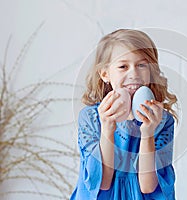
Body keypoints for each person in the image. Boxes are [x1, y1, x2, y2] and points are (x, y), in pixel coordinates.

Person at [70, 29, 178, 200]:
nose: (133, 74)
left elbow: (148, 186)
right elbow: (103, 183)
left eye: (141, 65)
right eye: (123, 66)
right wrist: (107, 127)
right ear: (105, 74)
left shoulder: (162, 121)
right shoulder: (91, 118)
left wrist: (147, 132)